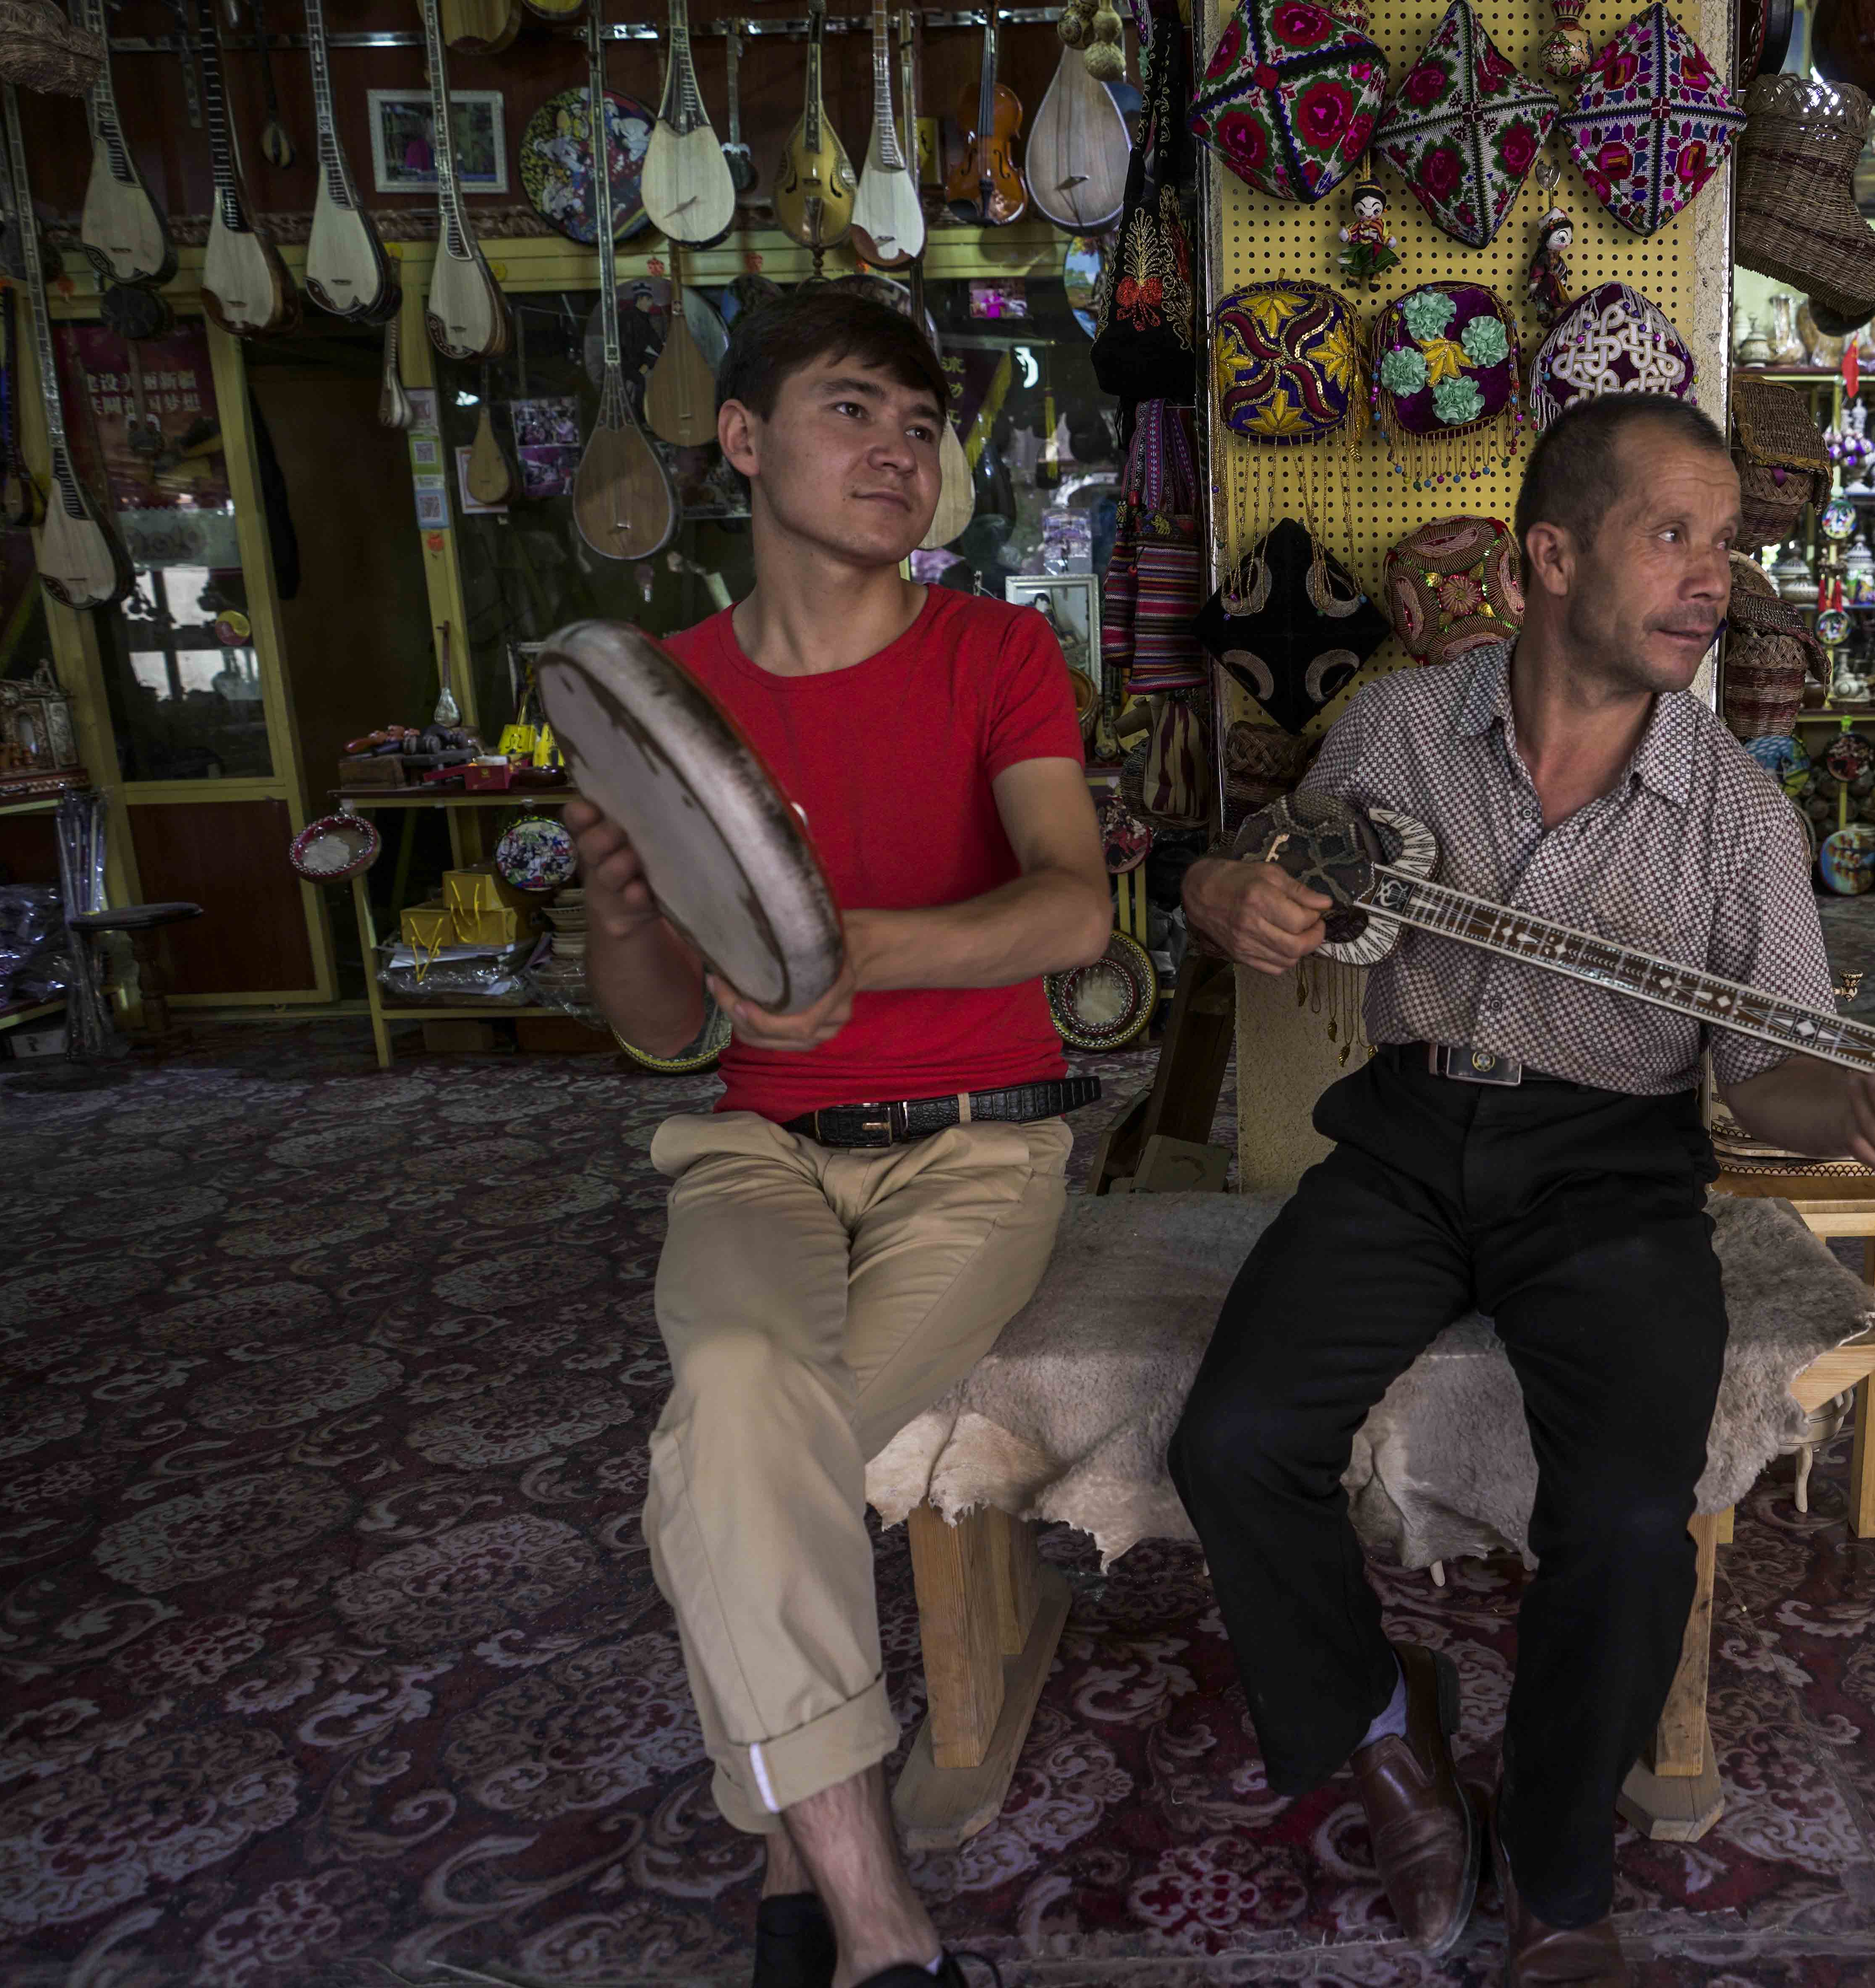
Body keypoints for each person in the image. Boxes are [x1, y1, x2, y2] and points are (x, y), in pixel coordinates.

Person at [1170, 393, 1875, 1985]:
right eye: (1673, 534)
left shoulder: (1741, 816)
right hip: (1407, 1140)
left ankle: (1559, 1870)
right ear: (1548, 558)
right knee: (1232, 1439)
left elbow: (1766, 1074)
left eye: (1729, 543)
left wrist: (1858, 1109)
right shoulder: (1396, 728)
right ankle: (1384, 1723)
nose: (1716, 578)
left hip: (1614, 1169)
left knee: (1633, 1516)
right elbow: (1287, 871)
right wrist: (1234, 889)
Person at [570, 289, 1112, 1988]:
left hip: (977, 1149)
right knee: (739, 1394)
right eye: (852, 410)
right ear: (742, 440)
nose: (897, 450)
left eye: (920, 424)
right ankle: (880, 1919)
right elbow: (661, 1025)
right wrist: (619, 913)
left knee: (723, 1461)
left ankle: (798, 1873)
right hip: (757, 1151)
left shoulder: (996, 654)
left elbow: (1073, 911)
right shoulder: (671, 698)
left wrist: (844, 945)